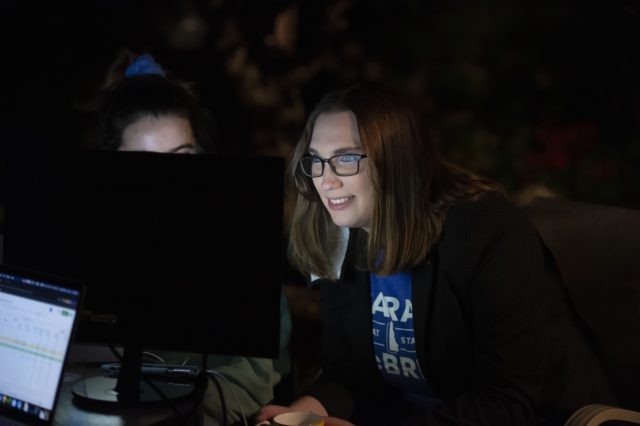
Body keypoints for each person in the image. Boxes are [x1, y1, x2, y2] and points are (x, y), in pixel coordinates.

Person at [256, 82, 617, 425]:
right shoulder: (344, 234)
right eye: (316, 160)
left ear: (395, 159)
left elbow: (507, 402)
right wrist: (300, 415)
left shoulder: (484, 230)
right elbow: (348, 374)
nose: (325, 179)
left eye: (346, 159)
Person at [91, 49, 292, 426]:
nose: (167, 180)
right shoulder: (84, 242)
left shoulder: (242, 245)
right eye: (145, 164)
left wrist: (169, 413)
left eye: (181, 156)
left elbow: (251, 384)